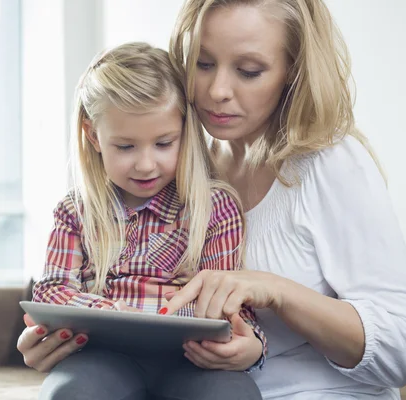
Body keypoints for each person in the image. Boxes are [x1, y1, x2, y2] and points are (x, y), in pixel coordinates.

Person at [157, 0, 406, 399]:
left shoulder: (331, 164)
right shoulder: (183, 167)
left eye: (249, 71)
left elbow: (399, 350)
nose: (217, 90)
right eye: (203, 64)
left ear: (293, 72)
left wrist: (276, 291)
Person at [21, 41, 266, 400]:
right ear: (94, 137)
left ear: (185, 131)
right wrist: (110, 311)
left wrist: (253, 347)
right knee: (70, 394)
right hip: (101, 359)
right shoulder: (76, 211)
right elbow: (52, 290)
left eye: (164, 143)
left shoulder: (215, 208)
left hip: (194, 362)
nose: (146, 164)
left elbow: (233, 306)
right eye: (126, 147)